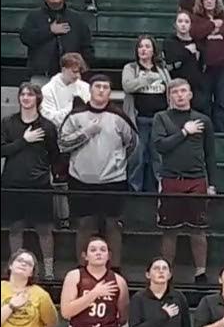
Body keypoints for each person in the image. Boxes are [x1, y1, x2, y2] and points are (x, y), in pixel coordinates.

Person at [58, 75, 136, 259]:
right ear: (90, 90)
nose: (101, 90)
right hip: (80, 180)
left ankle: (115, 269)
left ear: (110, 91)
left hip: (113, 180)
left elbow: (131, 144)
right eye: (97, 86)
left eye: (106, 87)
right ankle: (82, 268)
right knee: (85, 225)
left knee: (113, 225)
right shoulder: (75, 115)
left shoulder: (119, 117)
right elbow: (62, 144)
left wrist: (117, 162)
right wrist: (86, 132)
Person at [153, 78, 215, 285]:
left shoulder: (203, 120)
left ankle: (201, 272)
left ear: (190, 94)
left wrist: (212, 183)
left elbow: (210, 154)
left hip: (197, 179)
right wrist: (184, 132)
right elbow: (161, 146)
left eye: (183, 91)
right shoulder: (161, 117)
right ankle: (166, 273)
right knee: (169, 230)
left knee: (198, 229)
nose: (179, 95)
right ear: (169, 96)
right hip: (171, 179)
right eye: (175, 92)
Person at [2, 83, 60, 280]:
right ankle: (14, 270)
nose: (25, 98)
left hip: (39, 184)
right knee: (15, 228)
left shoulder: (47, 126)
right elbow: (3, 150)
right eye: (23, 94)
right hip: (13, 183)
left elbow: (55, 155)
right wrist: (24, 141)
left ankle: (49, 272)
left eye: (30, 94)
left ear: (37, 99)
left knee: (44, 229)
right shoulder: (8, 123)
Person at [40, 53, 89, 232]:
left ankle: (81, 216)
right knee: (60, 178)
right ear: (64, 69)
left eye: (79, 72)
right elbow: (49, 117)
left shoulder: (84, 87)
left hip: (82, 138)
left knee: (80, 177)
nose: (77, 75)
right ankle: (63, 218)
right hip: (58, 140)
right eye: (74, 71)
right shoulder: (48, 90)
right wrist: (71, 108)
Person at [121, 36, 171, 193]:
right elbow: (128, 86)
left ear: (153, 50)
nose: (143, 49)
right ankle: (134, 191)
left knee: (159, 158)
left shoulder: (162, 70)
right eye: (140, 46)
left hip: (160, 120)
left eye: (147, 46)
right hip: (139, 120)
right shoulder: (130, 68)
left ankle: (160, 190)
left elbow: (169, 90)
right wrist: (147, 79)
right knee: (137, 157)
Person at [21, 0, 93, 80]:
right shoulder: (34, 16)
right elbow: (26, 38)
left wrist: (83, 67)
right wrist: (50, 31)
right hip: (41, 74)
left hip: (70, 74)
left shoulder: (77, 18)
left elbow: (86, 45)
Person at [189, 0, 224, 132]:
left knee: (222, 100)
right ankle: (206, 130)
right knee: (204, 101)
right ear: (201, 2)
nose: (209, 2)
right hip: (204, 66)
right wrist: (212, 25)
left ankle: (221, 129)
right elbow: (195, 34)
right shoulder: (195, 19)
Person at [165, 11, 206, 114]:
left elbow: (201, 64)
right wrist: (187, 51)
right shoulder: (170, 42)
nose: (183, 24)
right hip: (177, 86)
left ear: (191, 25)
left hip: (195, 88)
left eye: (186, 22)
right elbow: (171, 63)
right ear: (175, 24)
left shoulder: (197, 43)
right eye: (180, 21)